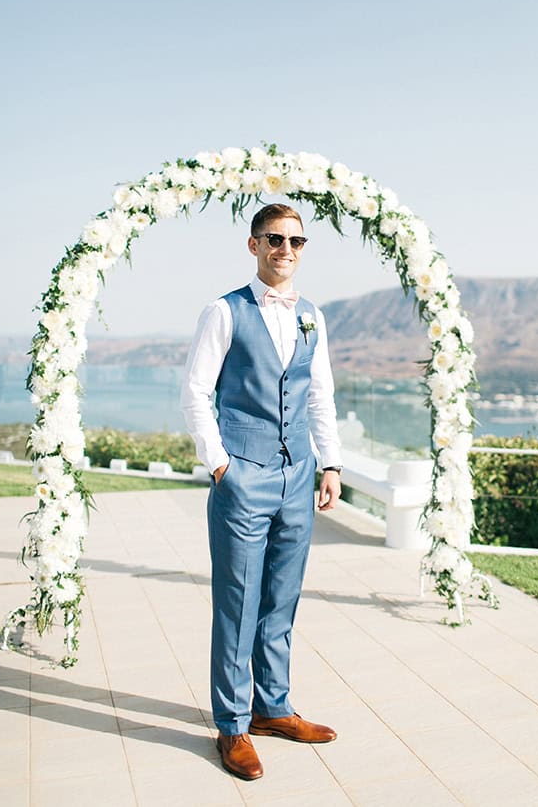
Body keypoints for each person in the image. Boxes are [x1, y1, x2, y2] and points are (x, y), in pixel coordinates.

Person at [180, 202, 342, 781]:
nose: (286, 250)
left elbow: (319, 394)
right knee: (238, 601)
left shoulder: (312, 316)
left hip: (299, 473)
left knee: (282, 597)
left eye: (297, 241)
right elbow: (196, 393)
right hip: (242, 475)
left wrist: (331, 464)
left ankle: (273, 707)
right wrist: (221, 464)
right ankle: (231, 725)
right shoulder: (223, 312)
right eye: (275, 239)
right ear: (254, 246)